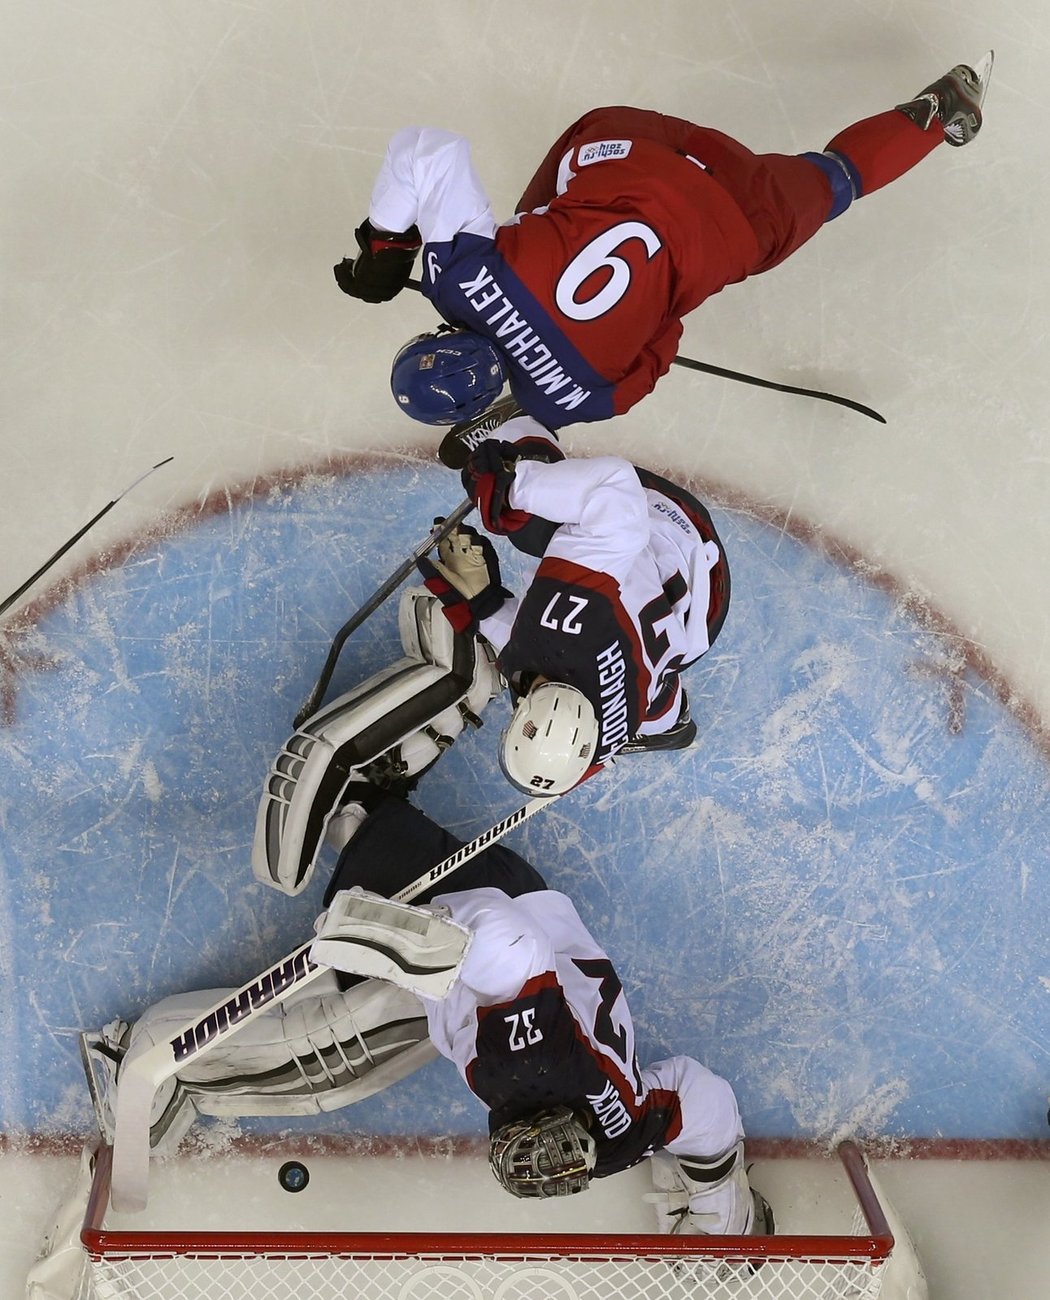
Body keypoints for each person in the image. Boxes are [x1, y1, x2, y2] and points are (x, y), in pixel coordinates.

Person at [86, 787, 772, 1234]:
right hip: (483, 911)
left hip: (495, 948)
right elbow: (509, 941)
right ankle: (142, 1059)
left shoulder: (624, 1136)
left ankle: (366, 821)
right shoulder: (530, 1060)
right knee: (320, 1051)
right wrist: (413, 935)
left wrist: (725, 1210)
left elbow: (703, 1101)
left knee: (367, 1037)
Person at [333, 57, 992, 428]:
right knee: (534, 215)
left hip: (734, 214)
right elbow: (430, 150)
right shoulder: (456, 275)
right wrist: (388, 244)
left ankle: (938, 115)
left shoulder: (577, 400)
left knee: (834, 184)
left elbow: (666, 338)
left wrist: (524, 405)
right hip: (625, 142)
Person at [414, 413, 730, 794]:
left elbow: (539, 650)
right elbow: (616, 491)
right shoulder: (569, 614)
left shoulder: (602, 739)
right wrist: (511, 489)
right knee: (529, 523)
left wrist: (485, 605)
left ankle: (670, 723)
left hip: (700, 620)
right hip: (678, 533)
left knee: (650, 678)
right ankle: (516, 426)